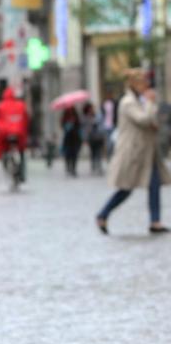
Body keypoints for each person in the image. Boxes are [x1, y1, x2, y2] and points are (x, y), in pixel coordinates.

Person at [96, 69, 168, 235]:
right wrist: (150, 103)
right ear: (136, 84)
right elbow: (142, 120)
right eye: (144, 82)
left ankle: (155, 221)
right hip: (133, 153)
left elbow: (151, 119)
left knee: (154, 185)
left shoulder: (140, 101)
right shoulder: (128, 102)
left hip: (148, 153)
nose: (147, 86)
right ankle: (103, 214)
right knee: (126, 188)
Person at [0, 86, 29, 179]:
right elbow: (26, 119)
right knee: (21, 151)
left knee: (4, 149)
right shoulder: (21, 105)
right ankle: (22, 173)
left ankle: (5, 165)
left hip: (5, 134)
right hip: (19, 134)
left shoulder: (1, 106)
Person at [81, 102, 105, 175]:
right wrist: (85, 138)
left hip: (98, 137)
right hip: (91, 138)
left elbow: (101, 124)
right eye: (90, 108)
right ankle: (93, 166)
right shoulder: (85, 117)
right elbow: (84, 129)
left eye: (92, 108)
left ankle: (99, 167)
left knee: (98, 152)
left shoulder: (97, 115)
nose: (92, 109)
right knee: (93, 153)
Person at [60, 105, 82, 176]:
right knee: (68, 154)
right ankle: (68, 167)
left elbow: (79, 125)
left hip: (75, 138)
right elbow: (62, 126)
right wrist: (68, 125)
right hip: (67, 139)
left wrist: (74, 122)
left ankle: (74, 168)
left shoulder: (76, 117)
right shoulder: (65, 118)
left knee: (74, 154)